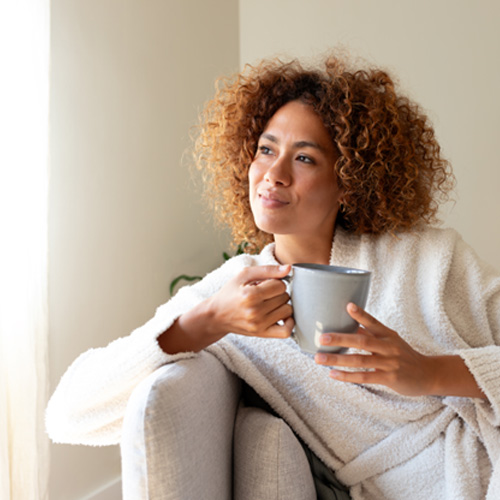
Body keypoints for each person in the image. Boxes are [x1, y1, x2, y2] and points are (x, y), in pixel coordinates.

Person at [46, 53, 500, 499]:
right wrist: (205, 321)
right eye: (265, 150)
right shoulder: (237, 295)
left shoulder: (428, 259)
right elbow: (67, 414)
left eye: (304, 158)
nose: (274, 174)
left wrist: (430, 373)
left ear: (348, 181)